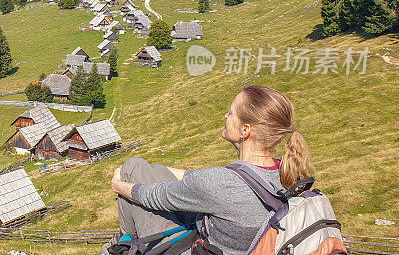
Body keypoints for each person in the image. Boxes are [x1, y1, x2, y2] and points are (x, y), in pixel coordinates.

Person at [108, 86, 315, 255]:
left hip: (194, 248)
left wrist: (117, 185)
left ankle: (126, 245)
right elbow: (199, 180)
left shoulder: (220, 182)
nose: (226, 115)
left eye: (231, 112)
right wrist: (160, 169)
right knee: (156, 169)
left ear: (245, 130)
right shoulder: (287, 174)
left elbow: (151, 196)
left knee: (133, 166)